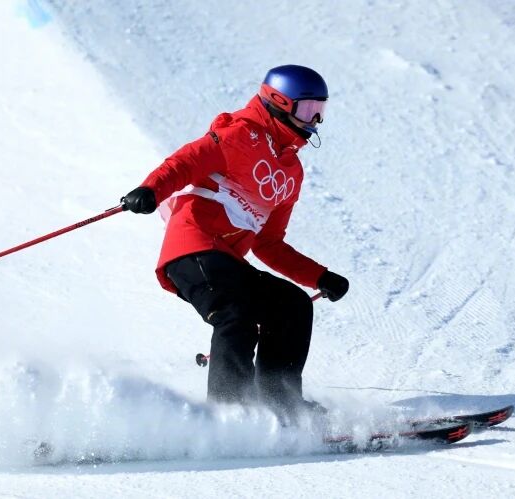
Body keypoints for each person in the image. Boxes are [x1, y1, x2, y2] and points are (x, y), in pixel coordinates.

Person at [120, 65, 349, 421]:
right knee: (235, 316)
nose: (315, 120)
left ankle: (280, 404)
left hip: (228, 263)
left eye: (321, 110)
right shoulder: (239, 134)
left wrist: (318, 277)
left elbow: (268, 244)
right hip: (193, 249)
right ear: (278, 101)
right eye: (307, 109)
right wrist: (151, 189)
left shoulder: (291, 173)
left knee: (292, 305)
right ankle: (229, 414)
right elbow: (186, 161)